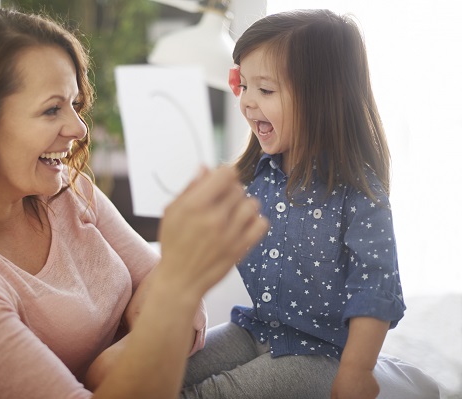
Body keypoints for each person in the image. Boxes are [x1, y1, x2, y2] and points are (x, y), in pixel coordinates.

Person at [0, 8, 268, 399]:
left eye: (74, 104)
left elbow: (163, 286)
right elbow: (169, 293)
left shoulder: (69, 191)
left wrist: (112, 364)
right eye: (52, 109)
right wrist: (176, 293)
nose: (79, 128)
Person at [180, 9, 440, 399]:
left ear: (321, 98)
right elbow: (201, 246)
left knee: (205, 394)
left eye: (265, 90)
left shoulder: (358, 192)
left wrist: (357, 369)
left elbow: (375, 287)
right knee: (164, 372)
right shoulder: (255, 177)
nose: (248, 103)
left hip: (319, 357)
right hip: (256, 329)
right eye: (244, 86)